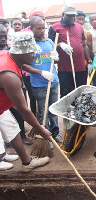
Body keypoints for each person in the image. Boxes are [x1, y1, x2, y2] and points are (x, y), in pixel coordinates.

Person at [0, 31, 52, 171]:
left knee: (12, 128)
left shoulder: (9, 55)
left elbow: (23, 66)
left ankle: (27, 163)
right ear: (21, 53)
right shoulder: (9, 76)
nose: (34, 55)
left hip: (1, 108)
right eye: (31, 52)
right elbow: (23, 109)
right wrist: (41, 130)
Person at [29, 16, 63, 144]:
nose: (42, 30)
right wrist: (41, 72)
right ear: (31, 28)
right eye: (38, 28)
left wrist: (57, 57)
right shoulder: (30, 45)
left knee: (54, 110)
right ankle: (46, 136)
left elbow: (53, 59)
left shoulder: (49, 42)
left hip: (53, 81)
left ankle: (55, 133)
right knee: (43, 113)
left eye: (43, 28)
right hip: (39, 84)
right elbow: (24, 65)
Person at [48, 4, 92, 98]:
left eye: (73, 15)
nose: (72, 17)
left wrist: (89, 61)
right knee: (65, 92)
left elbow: (84, 45)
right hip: (65, 68)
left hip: (80, 66)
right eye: (69, 15)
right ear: (63, 14)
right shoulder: (54, 28)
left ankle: (78, 111)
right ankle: (67, 112)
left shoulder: (79, 27)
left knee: (80, 91)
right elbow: (50, 46)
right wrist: (60, 45)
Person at [87, 13, 96, 87]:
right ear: (90, 22)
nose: (95, 21)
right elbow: (90, 48)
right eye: (92, 20)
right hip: (95, 59)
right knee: (95, 80)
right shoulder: (90, 33)